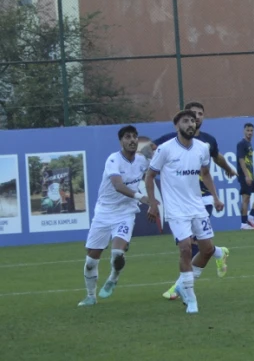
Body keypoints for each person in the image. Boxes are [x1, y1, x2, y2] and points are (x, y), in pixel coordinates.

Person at [145, 110, 226, 314]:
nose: (190, 124)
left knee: (207, 250)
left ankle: (182, 284)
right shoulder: (165, 149)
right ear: (176, 126)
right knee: (185, 248)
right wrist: (153, 203)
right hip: (176, 209)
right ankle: (191, 299)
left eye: (192, 120)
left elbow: (205, 173)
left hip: (197, 206)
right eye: (185, 121)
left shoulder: (203, 148)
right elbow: (150, 175)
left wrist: (215, 197)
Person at [79, 125, 151, 307]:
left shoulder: (142, 161)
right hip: (104, 213)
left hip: (125, 213)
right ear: (121, 141)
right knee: (90, 261)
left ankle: (113, 277)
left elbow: (157, 170)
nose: (132, 140)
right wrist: (141, 197)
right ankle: (90, 296)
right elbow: (118, 185)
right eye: (127, 137)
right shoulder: (113, 159)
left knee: (117, 253)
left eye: (135, 136)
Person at [236, 123, 254, 230]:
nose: (250, 133)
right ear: (244, 131)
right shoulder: (241, 144)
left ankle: (251, 217)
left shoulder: (249, 144)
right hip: (245, 175)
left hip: (251, 176)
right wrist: (247, 176)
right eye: (248, 130)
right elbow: (241, 160)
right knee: (246, 198)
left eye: (251, 131)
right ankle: (243, 224)